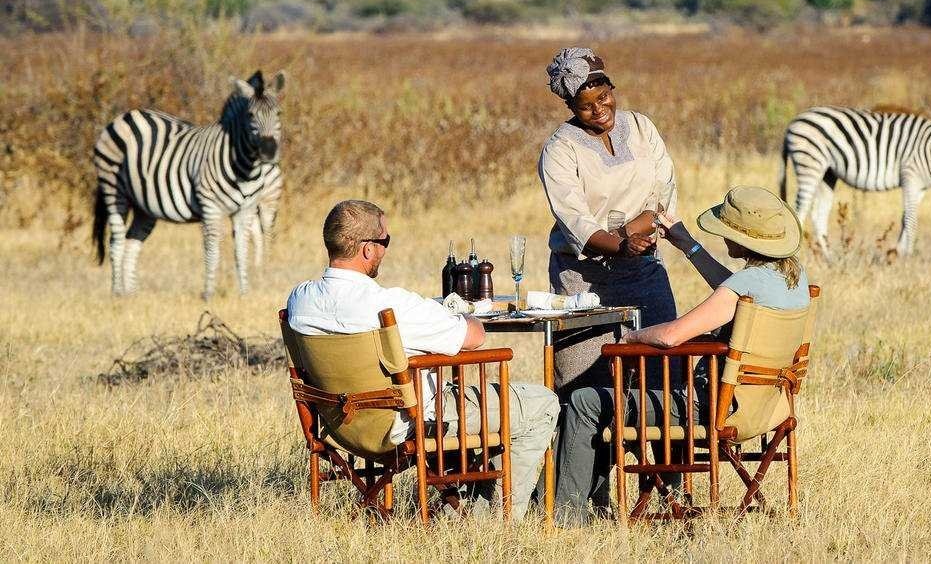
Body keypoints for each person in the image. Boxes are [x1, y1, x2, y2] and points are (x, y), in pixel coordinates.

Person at [554, 185, 812, 525]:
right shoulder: (793, 281)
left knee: (586, 401)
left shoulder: (744, 287)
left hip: (712, 409)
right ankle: (669, 494)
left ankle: (565, 518)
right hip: (768, 410)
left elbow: (672, 335)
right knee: (659, 389)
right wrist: (687, 244)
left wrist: (629, 338)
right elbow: (732, 283)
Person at [286, 199, 558, 522]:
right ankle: (492, 520)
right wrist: (465, 314)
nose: (385, 250)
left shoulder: (299, 301)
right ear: (367, 250)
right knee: (543, 404)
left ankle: (462, 505)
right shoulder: (390, 306)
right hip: (405, 424)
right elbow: (474, 338)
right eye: (384, 241)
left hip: (340, 427)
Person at [538, 47, 679, 395]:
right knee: (586, 388)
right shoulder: (559, 149)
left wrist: (631, 240)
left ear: (612, 88)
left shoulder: (641, 127)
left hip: (644, 270)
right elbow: (575, 221)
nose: (599, 110)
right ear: (570, 107)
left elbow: (663, 194)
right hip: (583, 283)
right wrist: (620, 245)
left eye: (604, 97)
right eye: (586, 106)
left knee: (663, 379)